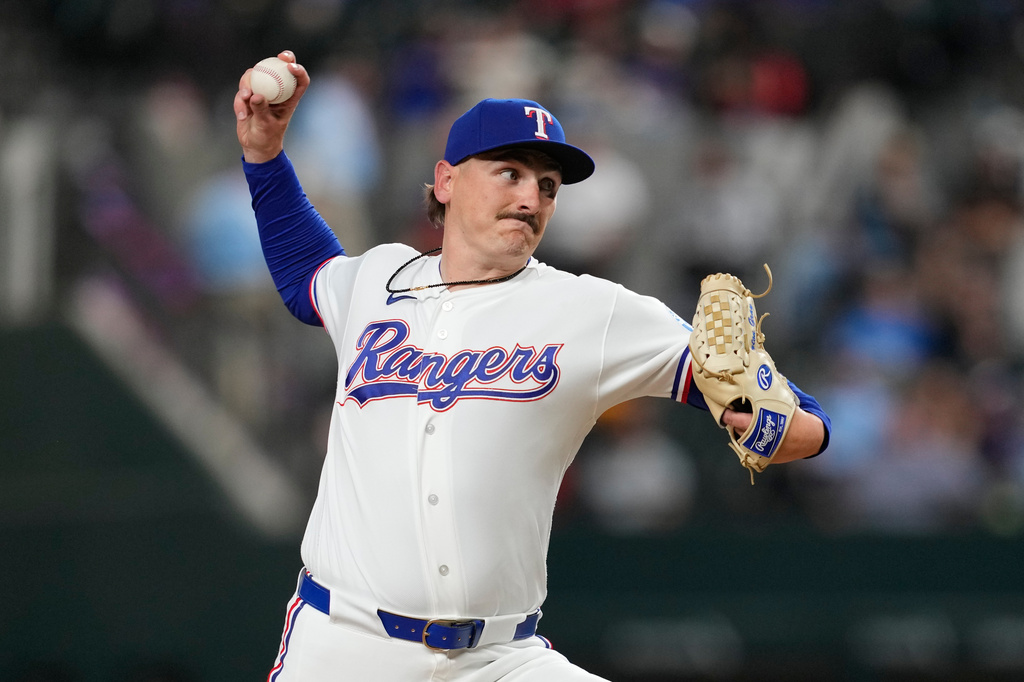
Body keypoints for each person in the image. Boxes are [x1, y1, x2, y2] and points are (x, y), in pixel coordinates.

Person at [234, 51, 830, 682]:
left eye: (548, 185)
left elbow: (804, 426)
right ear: (446, 181)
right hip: (344, 646)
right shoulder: (379, 279)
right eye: (510, 173)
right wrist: (265, 155)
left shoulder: (591, 311)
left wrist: (758, 412)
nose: (532, 197)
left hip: (497, 660)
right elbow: (307, 273)